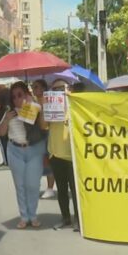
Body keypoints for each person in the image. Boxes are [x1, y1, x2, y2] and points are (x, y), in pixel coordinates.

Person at [0, 81, 48, 229]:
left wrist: (33, 106)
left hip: (34, 149)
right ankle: (24, 217)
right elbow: (1, 132)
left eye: (20, 95)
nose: (17, 99)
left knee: (32, 184)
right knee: (20, 185)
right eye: (14, 97)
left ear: (26, 94)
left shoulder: (34, 108)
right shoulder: (10, 112)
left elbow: (43, 126)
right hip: (15, 150)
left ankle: (33, 215)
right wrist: (6, 119)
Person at [47, 79, 80, 231]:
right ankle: (65, 218)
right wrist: (46, 109)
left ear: (69, 89)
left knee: (75, 189)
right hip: (56, 154)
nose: (59, 92)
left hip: (72, 156)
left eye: (62, 88)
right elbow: (43, 125)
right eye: (55, 89)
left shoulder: (76, 106)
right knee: (61, 189)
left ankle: (79, 220)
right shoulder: (51, 107)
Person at [32, 79, 56, 199]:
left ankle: (50, 188)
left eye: (36, 87)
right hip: (36, 135)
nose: (34, 89)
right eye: (33, 87)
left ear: (43, 88)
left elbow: (46, 122)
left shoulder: (49, 101)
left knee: (47, 161)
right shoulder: (33, 102)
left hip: (47, 133)